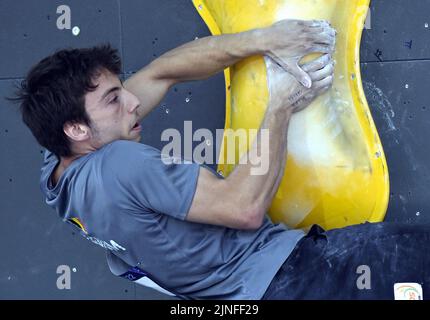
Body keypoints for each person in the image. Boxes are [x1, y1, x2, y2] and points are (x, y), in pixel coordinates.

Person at [11, 19, 429, 300]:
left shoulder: (58, 172)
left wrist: (262, 40)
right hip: (291, 280)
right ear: (76, 129)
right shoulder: (118, 163)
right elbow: (242, 208)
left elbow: (161, 72)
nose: (133, 102)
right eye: (114, 99)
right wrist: (281, 105)